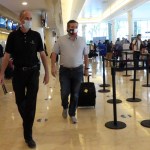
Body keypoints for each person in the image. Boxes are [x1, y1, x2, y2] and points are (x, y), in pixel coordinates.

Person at [0, 10, 49, 148]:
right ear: (20, 19)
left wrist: (46, 72)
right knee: (20, 101)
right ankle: (27, 121)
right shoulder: (13, 36)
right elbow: (6, 56)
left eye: (30, 18)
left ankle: (28, 136)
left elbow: (43, 54)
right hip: (19, 74)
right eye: (26, 18)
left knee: (31, 103)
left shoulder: (36, 35)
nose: (29, 20)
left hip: (33, 72)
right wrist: (1, 73)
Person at [51, 20, 89, 124]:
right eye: (72, 26)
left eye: (76, 26)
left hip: (78, 71)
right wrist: (53, 66)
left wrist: (86, 69)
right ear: (68, 28)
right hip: (65, 71)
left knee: (75, 94)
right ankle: (65, 107)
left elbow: (86, 55)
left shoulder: (82, 40)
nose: (74, 28)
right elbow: (54, 53)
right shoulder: (61, 40)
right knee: (64, 92)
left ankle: (72, 114)